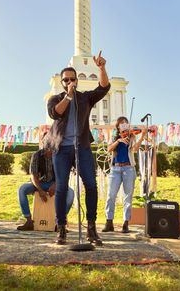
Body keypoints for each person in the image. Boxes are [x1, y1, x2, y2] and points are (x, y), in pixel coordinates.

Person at [46, 50, 110, 246]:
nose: (69, 82)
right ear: (62, 82)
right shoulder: (55, 99)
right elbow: (55, 114)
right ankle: (62, 229)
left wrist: (101, 68)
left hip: (81, 147)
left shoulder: (85, 98)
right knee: (62, 187)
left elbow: (103, 88)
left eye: (72, 79)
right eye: (65, 80)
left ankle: (91, 227)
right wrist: (68, 96)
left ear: (77, 80)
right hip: (61, 149)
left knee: (91, 184)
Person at [16, 139, 75, 231]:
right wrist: (39, 189)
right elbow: (33, 175)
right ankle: (28, 221)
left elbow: (64, 174)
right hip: (39, 184)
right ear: (43, 143)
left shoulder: (59, 155)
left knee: (70, 194)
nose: (48, 146)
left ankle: (59, 223)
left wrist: (56, 184)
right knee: (22, 189)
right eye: (46, 142)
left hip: (55, 183)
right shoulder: (37, 155)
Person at [102, 117, 146, 233]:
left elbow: (135, 149)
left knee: (128, 196)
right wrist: (118, 141)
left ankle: (126, 223)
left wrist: (141, 136)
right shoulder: (114, 136)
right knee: (111, 195)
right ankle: (109, 222)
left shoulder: (131, 136)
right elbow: (108, 149)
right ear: (118, 126)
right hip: (115, 168)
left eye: (126, 123)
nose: (124, 125)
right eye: (122, 123)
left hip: (128, 168)